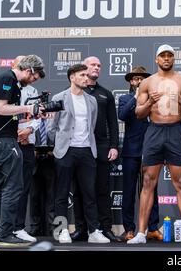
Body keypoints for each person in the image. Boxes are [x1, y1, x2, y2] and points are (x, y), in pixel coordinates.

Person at [131, 44, 181, 245]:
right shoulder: (148, 83)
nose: (167, 59)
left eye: (170, 55)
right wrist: (149, 103)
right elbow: (138, 113)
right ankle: (141, 233)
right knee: (148, 182)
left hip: (175, 131)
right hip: (154, 131)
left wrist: (180, 100)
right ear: (157, 59)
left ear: (174, 59)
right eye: (163, 56)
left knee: (180, 183)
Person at [47, 64, 110, 244]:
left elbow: (92, 126)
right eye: (82, 75)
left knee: (89, 193)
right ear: (72, 77)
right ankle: (62, 231)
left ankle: (93, 231)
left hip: (87, 151)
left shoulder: (92, 101)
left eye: (86, 75)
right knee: (61, 193)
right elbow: (52, 128)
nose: (86, 78)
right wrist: (59, 146)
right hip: (66, 151)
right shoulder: (59, 98)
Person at [0, 54, 45, 246]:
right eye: (34, 77)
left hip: (0, 140)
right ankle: (6, 234)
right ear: (29, 70)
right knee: (13, 187)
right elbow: (0, 109)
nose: (33, 81)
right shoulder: (7, 79)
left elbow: (7, 115)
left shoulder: (13, 83)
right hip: (3, 142)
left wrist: (32, 113)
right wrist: (28, 107)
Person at [71, 56, 120, 242]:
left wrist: (114, 146)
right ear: (83, 68)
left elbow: (113, 123)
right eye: (93, 65)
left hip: (100, 146)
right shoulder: (73, 93)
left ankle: (105, 228)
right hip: (79, 146)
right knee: (80, 190)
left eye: (99, 65)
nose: (97, 68)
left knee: (101, 188)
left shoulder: (105, 94)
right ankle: (81, 228)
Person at [119, 66, 162, 242]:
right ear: (131, 81)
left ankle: (152, 228)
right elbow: (122, 115)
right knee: (128, 191)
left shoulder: (155, 100)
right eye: (136, 79)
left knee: (152, 190)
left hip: (151, 151)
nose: (139, 82)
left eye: (142, 79)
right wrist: (136, 98)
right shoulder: (125, 98)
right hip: (130, 152)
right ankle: (129, 229)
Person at [12, 56, 42, 243]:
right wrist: (16, 134)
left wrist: (29, 130)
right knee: (7, 188)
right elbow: (1, 112)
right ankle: (2, 226)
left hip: (28, 143)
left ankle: (18, 227)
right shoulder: (7, 86)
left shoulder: (33, 90)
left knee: (23, 187)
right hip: (9, 143)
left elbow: (38, 115)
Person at [28, 114, 56, 237]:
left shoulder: (53, 121)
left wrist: (54, 150)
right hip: (34, 163)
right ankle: (34, 227)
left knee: (52, 197)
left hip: (51, 162)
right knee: (34, 197)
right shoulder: (31, 123)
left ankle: (53, 227)